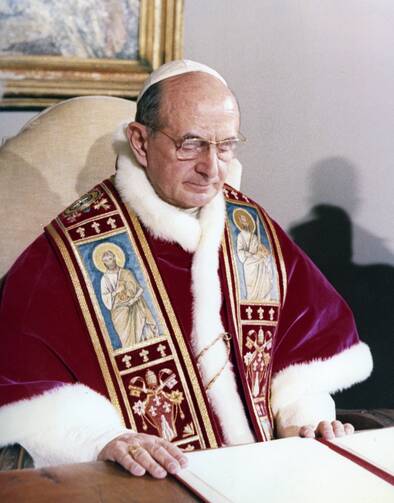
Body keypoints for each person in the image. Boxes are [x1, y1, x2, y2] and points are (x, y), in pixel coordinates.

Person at [0, 60, 373, 479]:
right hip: (146, 485)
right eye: (191, 144)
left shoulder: (252, 228)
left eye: (226, 145)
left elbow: (303, 344)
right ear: (140, 142)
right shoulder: (70, 249)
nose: (212, 168)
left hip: (264, 475)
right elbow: (22, 375)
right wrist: (101, 437)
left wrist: (302, 416)